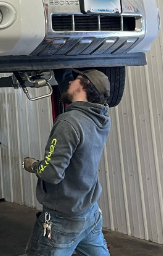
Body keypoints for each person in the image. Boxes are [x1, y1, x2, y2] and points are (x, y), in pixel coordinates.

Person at [22, 69, 111, 256]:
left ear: (84, 86)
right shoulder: (101, 118)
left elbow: (51, 173)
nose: (70, 82)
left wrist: (33, 165)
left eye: (75, 80)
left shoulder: (68, 123)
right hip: (89, 212)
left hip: (62, 219)